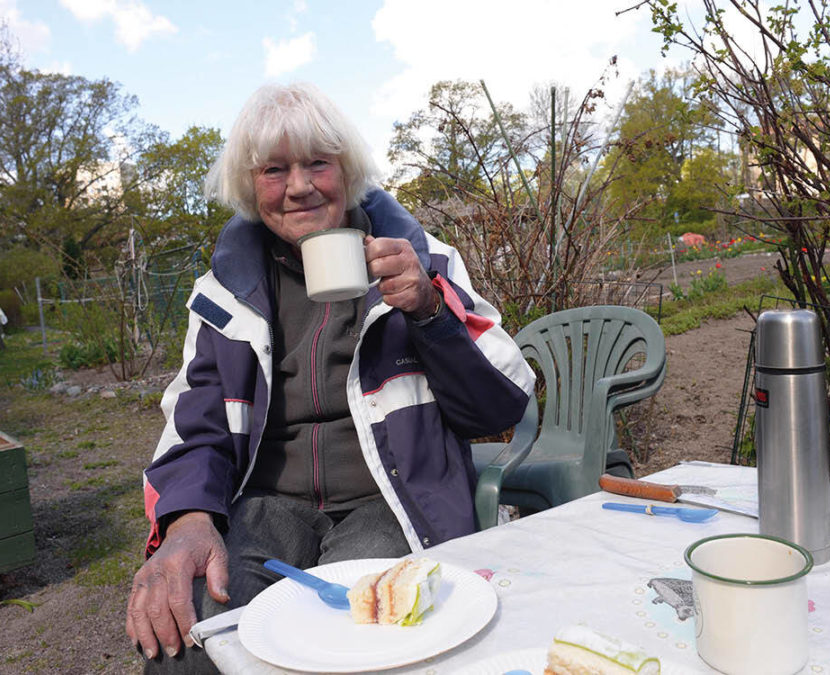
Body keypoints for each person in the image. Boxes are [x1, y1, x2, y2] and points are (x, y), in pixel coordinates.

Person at [125, 82, 535, 673]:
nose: (298, 186)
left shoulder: (427, 262)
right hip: (261, 506)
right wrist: (187, 521)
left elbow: (500, 409)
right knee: (190, 641)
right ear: (250, 185)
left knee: (355, 636)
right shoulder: (222, 295)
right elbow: (196, 426)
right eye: (274, 169)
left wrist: (428, 310)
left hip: (389, 500)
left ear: (348, 172)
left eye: (318, 162)